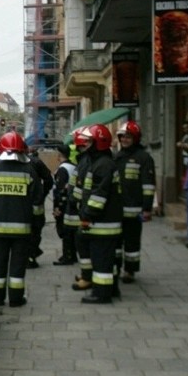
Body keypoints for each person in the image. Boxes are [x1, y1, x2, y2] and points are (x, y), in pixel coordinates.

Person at [0, 131, 44, 308]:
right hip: (23, 231)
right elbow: (37, 204)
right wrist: (37, 227)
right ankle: (16, 298)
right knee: (17, 266)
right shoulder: (29, 171)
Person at [71, 124, 122, 304]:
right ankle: (111, 288)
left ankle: (101, 294)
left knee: (101, 261)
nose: (86, 144)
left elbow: (99, 195)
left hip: (102, 223)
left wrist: (86, 214)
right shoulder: (99, 162)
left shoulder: (103, 165)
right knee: (106, 260)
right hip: (104, 222)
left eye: (90, 141)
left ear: (99, 143)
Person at [114, 121, 156, 282]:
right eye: (122, 136)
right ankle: (115, 267)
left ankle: (130, 271)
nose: (124, 140)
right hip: (117, 209)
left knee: (131, 242)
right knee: (116, 242)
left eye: (128, 137)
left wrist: (147, 208)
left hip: (134, 209)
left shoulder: (144, 158)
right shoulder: (116, 157)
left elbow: (148, 185)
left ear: (135, 138)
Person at [27, 147, 54, 268]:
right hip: (35, 202)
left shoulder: (6, 163)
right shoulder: (36, 162)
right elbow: (48, 178)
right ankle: (31, 255)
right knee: (35, 229)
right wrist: (43, 193)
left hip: (17, 205)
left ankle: (28, 255)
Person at [52, 143, 78, 266]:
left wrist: (57, 207)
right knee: (71, 231)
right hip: (74, 203)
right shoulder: (73, 166)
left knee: (65, 231)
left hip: (65, 205)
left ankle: (67, 256)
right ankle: (71, 254)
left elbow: (60, 190)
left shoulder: (62, 169)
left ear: (59, 155)